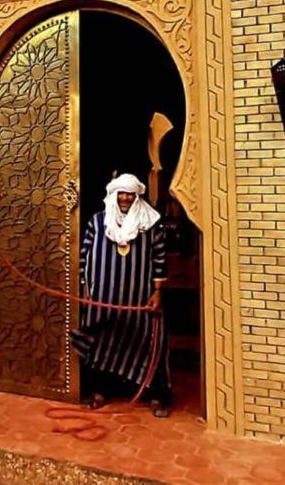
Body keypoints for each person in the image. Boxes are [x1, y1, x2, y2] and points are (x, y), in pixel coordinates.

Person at [72, 172, 172, 417]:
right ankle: (101, 392)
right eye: (122, 194)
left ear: (137, 196)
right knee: (102, 345)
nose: (126, 198)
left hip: (139, 303)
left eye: (130, 194)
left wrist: (157, 292)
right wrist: (85, 292)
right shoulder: (97, 222)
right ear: (113, 195)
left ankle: (157, 396)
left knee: (148, 343)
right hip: (102, 302)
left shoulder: (150, 225)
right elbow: (83, 258)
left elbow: (159, 260)